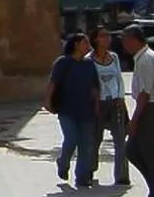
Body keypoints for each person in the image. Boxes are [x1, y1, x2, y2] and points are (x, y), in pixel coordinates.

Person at [44, 33, 99, 188]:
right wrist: (47, 100)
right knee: (72, 139)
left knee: (86, 144)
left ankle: (81, 178)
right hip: (67, 110)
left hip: (87, 111)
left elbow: (95, 88)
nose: (88, 46)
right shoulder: (63, 63)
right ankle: (63, 162)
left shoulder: (89, 64)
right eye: (85, 42)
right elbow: (52, 83)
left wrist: (97, 105)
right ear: (76, 44)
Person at [123, 25, 154, 197]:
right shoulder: (145, 57)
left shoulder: (145, 60)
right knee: (134, 150)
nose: (124, 44)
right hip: (152, 108)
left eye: (126, 40)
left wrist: (134, 121)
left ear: (134, 40)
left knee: (147, 152)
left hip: (150, 109)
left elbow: (145, 93)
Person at [87, 28, 129, 186]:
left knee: (120, 139)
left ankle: (122, 175)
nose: (107, 38)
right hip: (98, 103)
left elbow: (119, 78)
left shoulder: (114, 57)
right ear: (96, 39)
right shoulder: (89, 60)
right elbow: (89, 84)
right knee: (95, 138)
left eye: (107, 35)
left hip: (115, 101)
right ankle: (89, 169)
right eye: (103, 35)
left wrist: (121, 97)